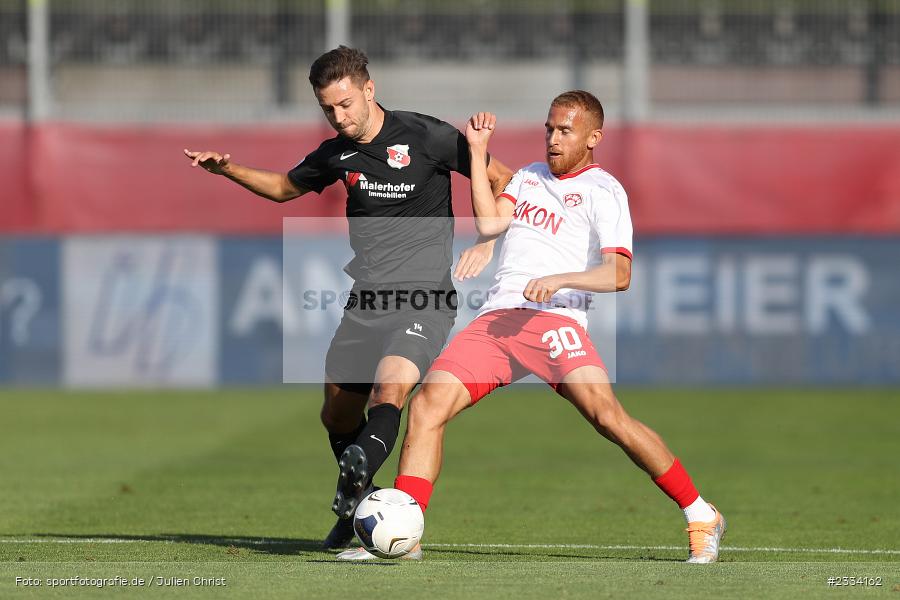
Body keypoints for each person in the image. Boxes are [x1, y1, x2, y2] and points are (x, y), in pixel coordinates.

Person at [350, 91, 725, 563]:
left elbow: (619, 273)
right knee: (427, 405)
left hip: (555, 320)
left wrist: (560, 279)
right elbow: (489, 224)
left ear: (594, 137)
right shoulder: (527, 177)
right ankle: (407, 531)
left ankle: (700, 513)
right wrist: (479, 152)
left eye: (565, 130)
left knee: (608, 418)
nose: (552, 138)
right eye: (549, 128)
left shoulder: (604, 191)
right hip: (497, 321)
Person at [183, 46, 512, 550]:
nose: (339, 117)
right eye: (328, 109)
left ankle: (359, 500)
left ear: (368, 90)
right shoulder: (337, 152)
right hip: (366, 302)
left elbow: (502, 178)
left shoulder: (427, 136)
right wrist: (227, 169)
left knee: (390, 393)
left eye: (345, 104)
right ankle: (361, 502)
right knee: (335, 416)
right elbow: (281, 187)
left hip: (425, 298)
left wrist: (488, 240)